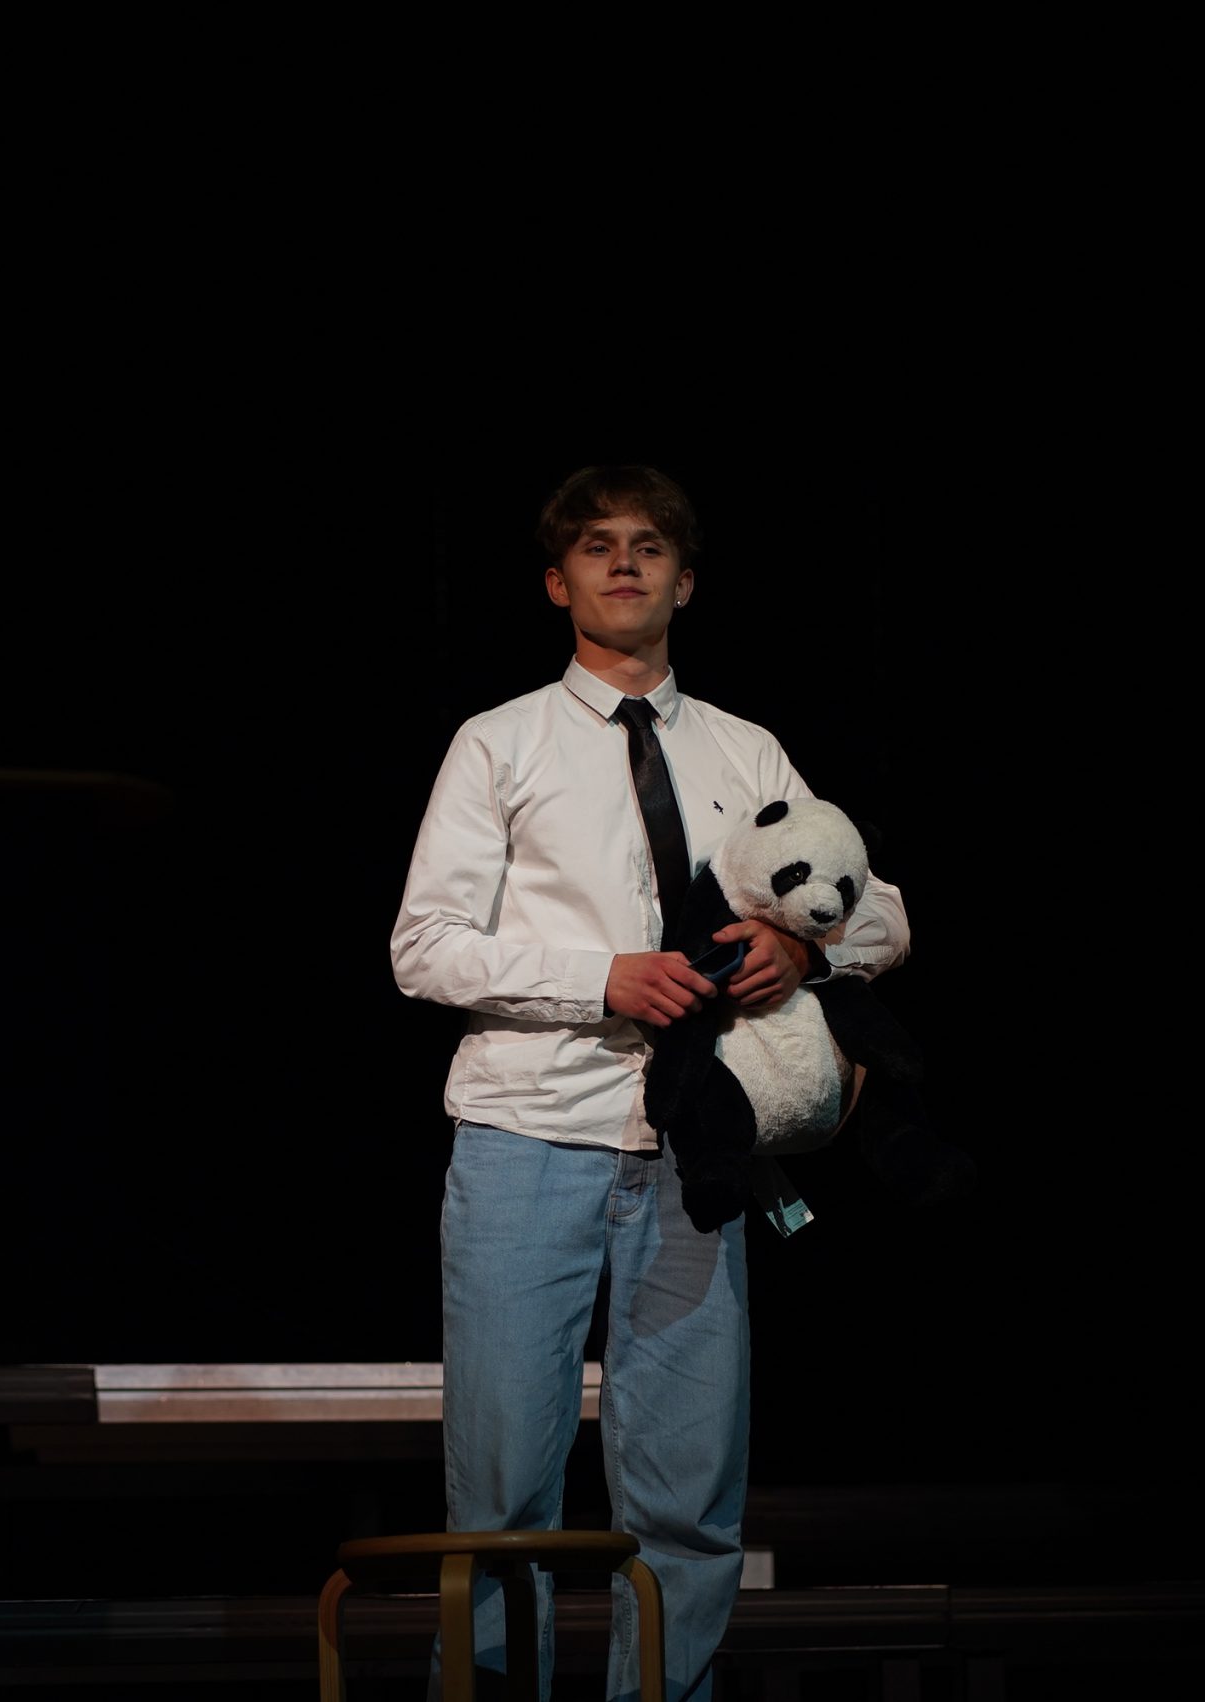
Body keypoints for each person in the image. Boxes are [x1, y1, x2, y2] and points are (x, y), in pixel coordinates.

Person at [389, 465, 912, 1699]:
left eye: (648, 546)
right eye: (596, 546)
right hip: (529, 1137)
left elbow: (882, 910)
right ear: (555, 582)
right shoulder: (501, 741)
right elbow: (425, 947)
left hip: (695, 1157)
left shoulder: (743, 747)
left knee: (688, 1494)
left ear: (684, 581)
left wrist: (805, 948)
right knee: (503, 1492)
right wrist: (600, 978)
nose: (623, 562)